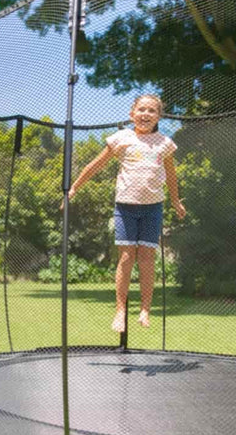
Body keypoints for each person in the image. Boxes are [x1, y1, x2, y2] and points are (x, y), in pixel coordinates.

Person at [66, 94, 186, 332]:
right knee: (126, 258)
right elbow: (95, 164)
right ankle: (120, 310)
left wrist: (175, 201)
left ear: (158, 116)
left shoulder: (164, 143)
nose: (145, 114)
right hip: (125, 207)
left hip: (153, 208)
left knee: (147, 259)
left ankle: (145, 309)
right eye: (141, 109)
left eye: (152, 111)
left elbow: (171, 175)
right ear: (132, 114)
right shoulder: (122, 138)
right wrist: (74, 187)